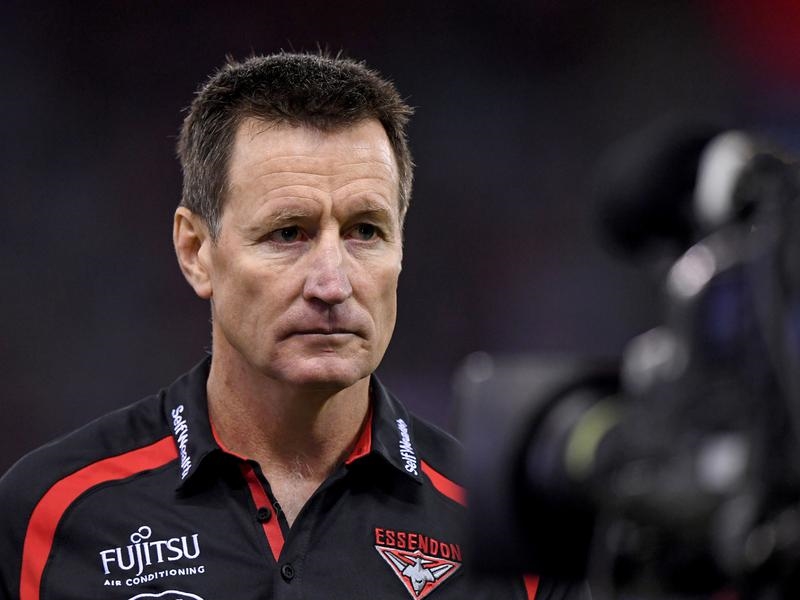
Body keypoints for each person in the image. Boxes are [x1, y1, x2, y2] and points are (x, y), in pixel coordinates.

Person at [0, 52, 588, 599]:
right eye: (288, 233)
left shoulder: (510, 535)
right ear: (196, 251)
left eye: (365, 231)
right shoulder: (43, 516)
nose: (332, 284)